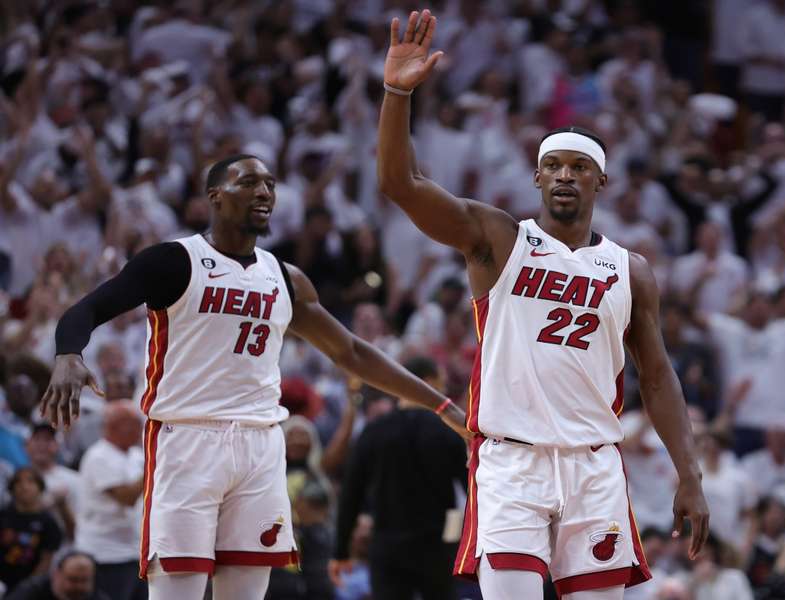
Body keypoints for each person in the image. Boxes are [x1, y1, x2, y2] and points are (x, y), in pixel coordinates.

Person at [377, 10, 709, 599]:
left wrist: (689, 473)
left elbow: (657, 377)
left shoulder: (630, 270)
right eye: (552, 165)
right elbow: (402, 185)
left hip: (594, 465)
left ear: (600, 182)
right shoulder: (499, 239)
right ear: (535, 177)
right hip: (512, 463)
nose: (564, 176)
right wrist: (397, 94)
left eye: (579, 167)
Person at [39, 153, 468, 600]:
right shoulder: (174, 261)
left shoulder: (286, 277)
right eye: (248, 183)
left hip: (261, 443)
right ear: (215, 197)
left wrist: (441, 404)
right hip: (188, 439)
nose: (264, 192)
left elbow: (353, 351)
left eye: (270, 184)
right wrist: (69, 353)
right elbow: (86, 308)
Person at [330, 356, 468, 600]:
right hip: (437, 546)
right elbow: (472, 489)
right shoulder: (449, 432)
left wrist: (341, 551)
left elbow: (351, 493)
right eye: (441, 384)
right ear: (426, 383)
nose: (445, 391)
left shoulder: (374, 431)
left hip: (386, 546)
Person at [75, 401, 146, 600]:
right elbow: (127, 497)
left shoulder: (136, 455)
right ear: (114, 426)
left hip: (134, 551)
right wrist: (153, 464)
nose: (140, 428)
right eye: (134, 423)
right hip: (104, 553)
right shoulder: (98, 456)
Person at [0, 467, 63, 593]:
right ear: (11, 489)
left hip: (30, 585)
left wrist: (30, 586)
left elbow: (46, 560)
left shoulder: (48, 523)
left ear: (40, 488)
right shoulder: (3, 516)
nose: (24, 487)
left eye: (31, 482)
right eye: (18, 482)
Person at [7, 551, 112, 600]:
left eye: (84, 580)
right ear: (57, 575)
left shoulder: (97, 596)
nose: (79, 586)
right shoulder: (31, 591)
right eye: (73, 579)